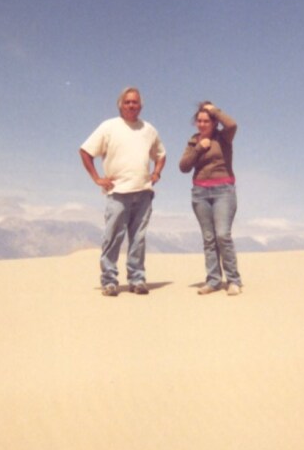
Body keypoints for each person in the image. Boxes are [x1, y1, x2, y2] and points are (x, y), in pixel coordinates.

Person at [79, 87, 166, 296]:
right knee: (113, 237)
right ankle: (109, 281)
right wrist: (97, 178)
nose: (131, 105)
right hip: (118, 192)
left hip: (143, 192)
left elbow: (161, 154)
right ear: (120, 105)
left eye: (135, 102)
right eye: (127, 102)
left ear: (141, 105)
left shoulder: (149, 130)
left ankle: (137, 279)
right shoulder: (109, 127)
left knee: (138, 238)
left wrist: (156, 173)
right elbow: (85, 151)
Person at [179, 102, 244, 296]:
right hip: (200, 193)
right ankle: (214, 280)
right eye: (199, 121)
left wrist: (214, 109)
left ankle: (233, 280)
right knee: (209, 238)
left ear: (214, 122)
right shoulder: (193, 141)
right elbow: (183, 167)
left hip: (224, 191)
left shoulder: (224, 137)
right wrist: (199, 148)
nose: (201, 124)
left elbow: (232, 125)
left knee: (222, 235)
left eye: (206, 120)